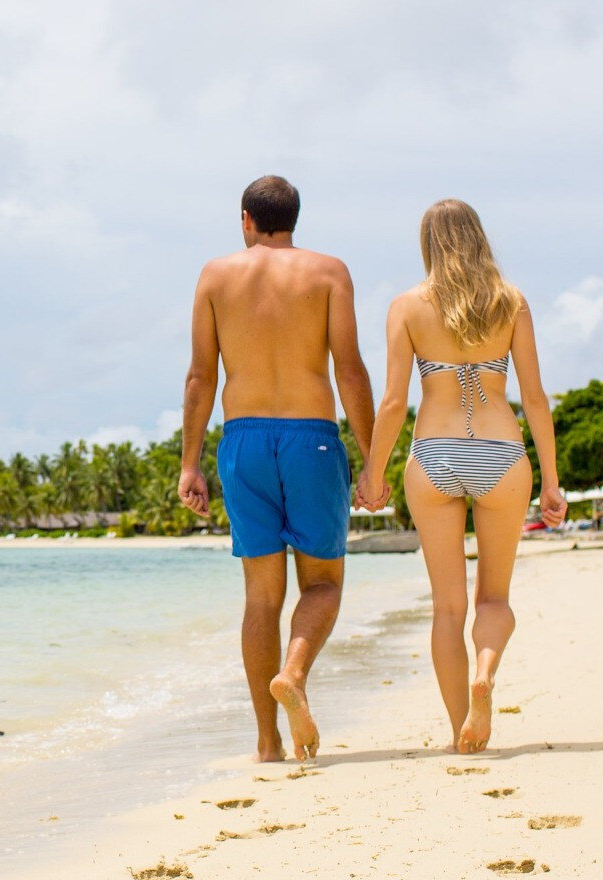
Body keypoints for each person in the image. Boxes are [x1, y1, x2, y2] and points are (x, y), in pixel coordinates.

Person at [355, 199, 566, 754]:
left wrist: (372, 474)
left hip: (434, 455)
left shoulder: (405, 306)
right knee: (493, 599)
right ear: (478, 237)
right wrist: (551, 480)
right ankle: (486, 673)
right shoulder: (510, 302)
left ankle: (459, 737)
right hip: (500, 452)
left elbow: (394, 401)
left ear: (427, 243)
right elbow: (536, 397)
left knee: (447, 608)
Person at [177, 175, 375, 763]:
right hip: (311, 437)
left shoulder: (215, 276)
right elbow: (351, 370)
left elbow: (200, 377)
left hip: (243, 440)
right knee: (322, 583)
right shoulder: (329, 272)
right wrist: (371, 459)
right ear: (295, 217)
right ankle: (293, 671)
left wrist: (190, 463)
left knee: (261, 599)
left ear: (245, 218)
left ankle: (267, 744)